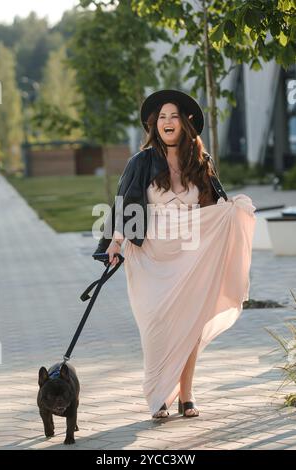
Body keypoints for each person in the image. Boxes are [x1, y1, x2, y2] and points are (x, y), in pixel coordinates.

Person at [98, 89, 256, 420]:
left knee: (190, 325)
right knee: (157, 324)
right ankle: (158, 394)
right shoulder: (140, 162)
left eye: (173, 116)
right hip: (152, 256)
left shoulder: (201, 161)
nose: (168, 122)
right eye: (161, 118)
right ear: (154, 125)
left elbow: (215, 206)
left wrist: (234, 214)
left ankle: (186, 395)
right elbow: (126, 204)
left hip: (191, 256)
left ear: (185, 124)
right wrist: (114, 243)